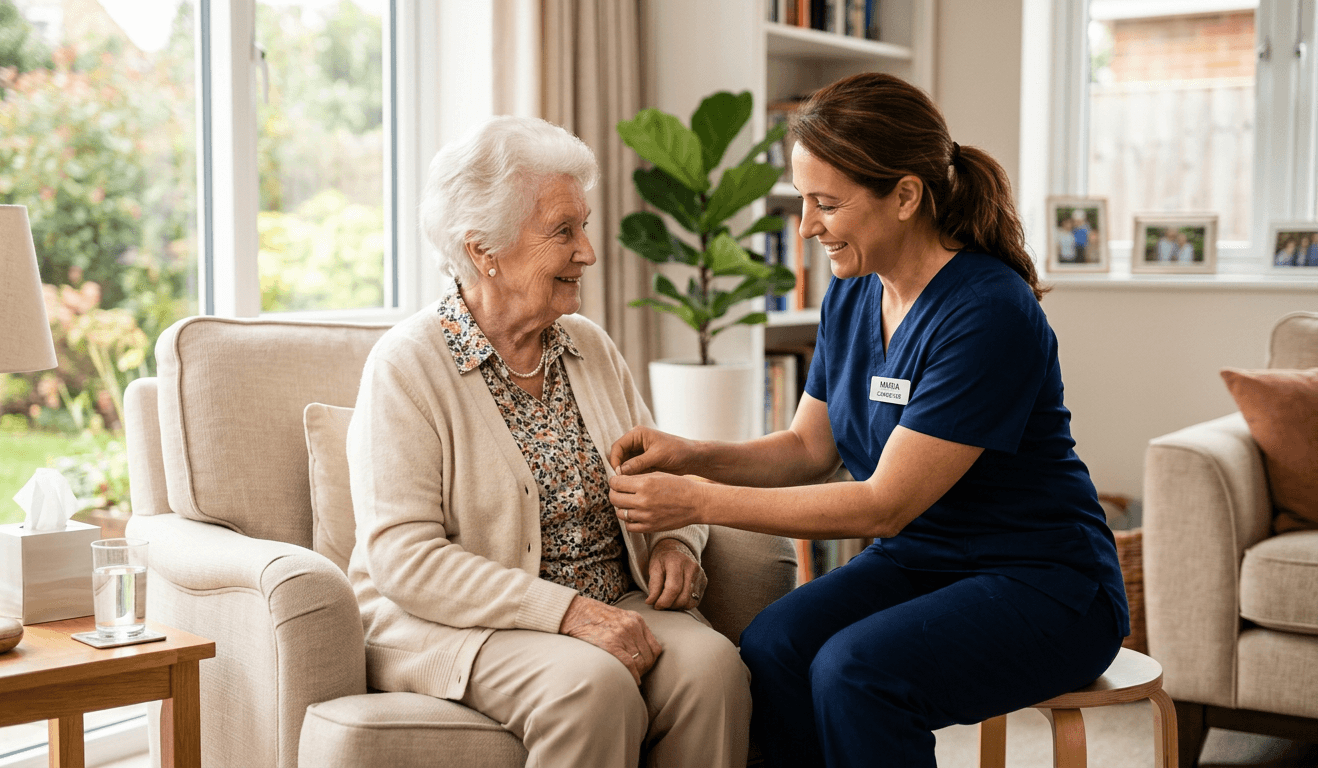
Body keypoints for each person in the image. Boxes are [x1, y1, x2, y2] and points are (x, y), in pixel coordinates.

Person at [605, 72, 1129, 768]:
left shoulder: (989, 312)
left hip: (1044, 582)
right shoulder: (853, 295)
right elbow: (806, 447)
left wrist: (697, 500)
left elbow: (884, 504)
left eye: (827, 204)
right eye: (802, 202)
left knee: (858, 671)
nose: (807, 227)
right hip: (924, 562)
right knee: (772, 645)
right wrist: (691, 454)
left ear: (906, 195)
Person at [347, 115, 750, 768]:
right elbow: (404, 559)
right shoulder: (407, 365)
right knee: (592, 689)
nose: (588, 251)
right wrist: (566, 614)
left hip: (610, 596)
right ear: (485, 251)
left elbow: (658, 477)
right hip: (459, 622)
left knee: (714, 670)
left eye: (582, 225)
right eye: (564, 231)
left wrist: (678, 540)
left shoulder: (587, 345)